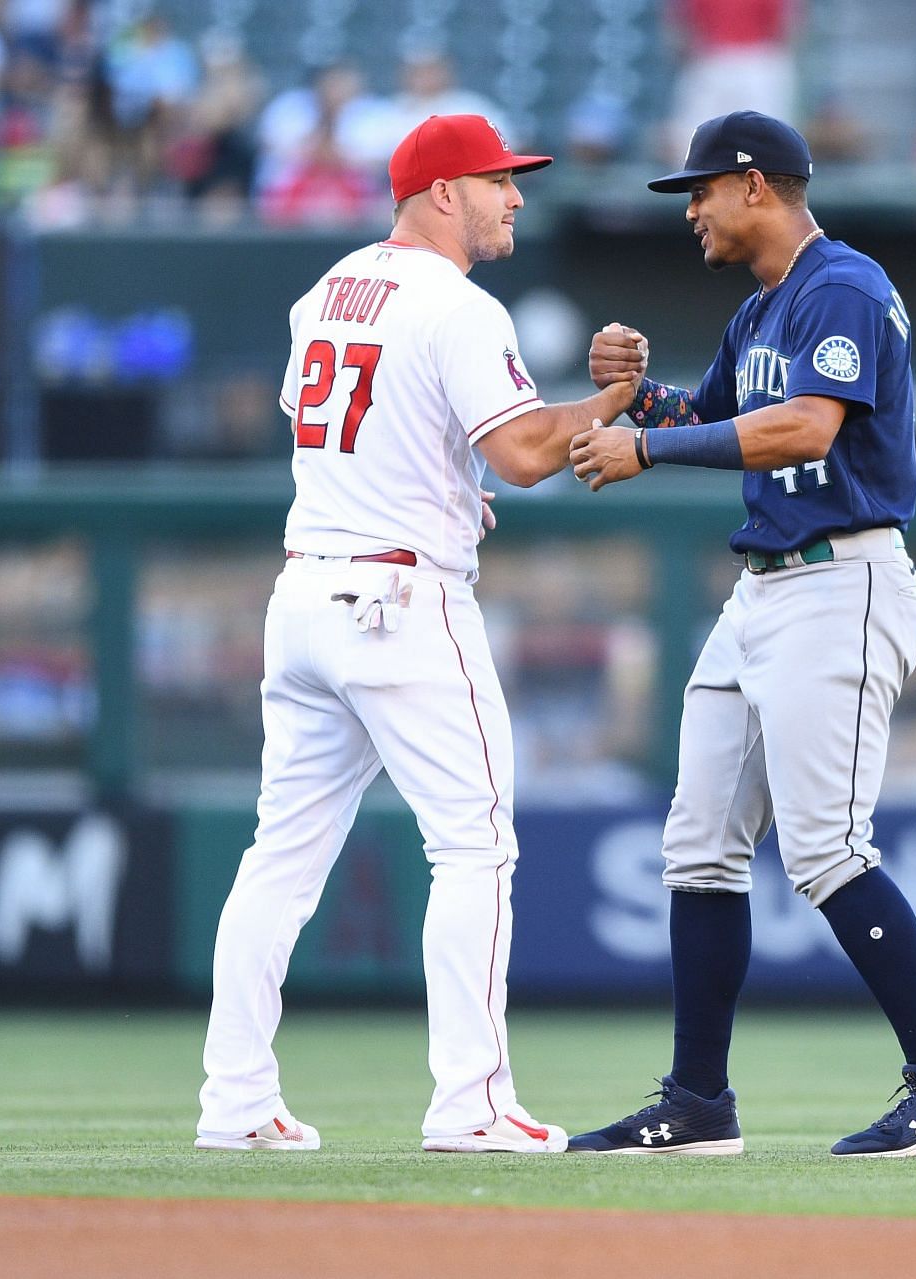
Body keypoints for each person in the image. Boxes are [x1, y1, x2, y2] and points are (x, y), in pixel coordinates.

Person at [564, 111, 916, 1158]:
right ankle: (698, 1102)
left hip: (838, 580)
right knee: (699, 847)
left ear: (755, 184)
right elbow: (711, 419)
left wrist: (647, 451)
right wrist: (640, 393)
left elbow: (807, 428)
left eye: (701, 192)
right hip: (764, 587)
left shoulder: (838, 284)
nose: (693, 214)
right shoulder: (761, 311)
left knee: (824, 849)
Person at [195, 113, 639, 1155]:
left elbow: (352, 428)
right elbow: (528, 454)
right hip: (400, 605)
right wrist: (611, 398)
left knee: (278, 861)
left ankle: (233, 1101)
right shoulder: (457, 303)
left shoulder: (325, 291)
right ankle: (470, 1104)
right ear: (444, 192)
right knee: (477, 844)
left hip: (306, 593)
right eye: (497, 180)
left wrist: (443, 487)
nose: (514, 197)